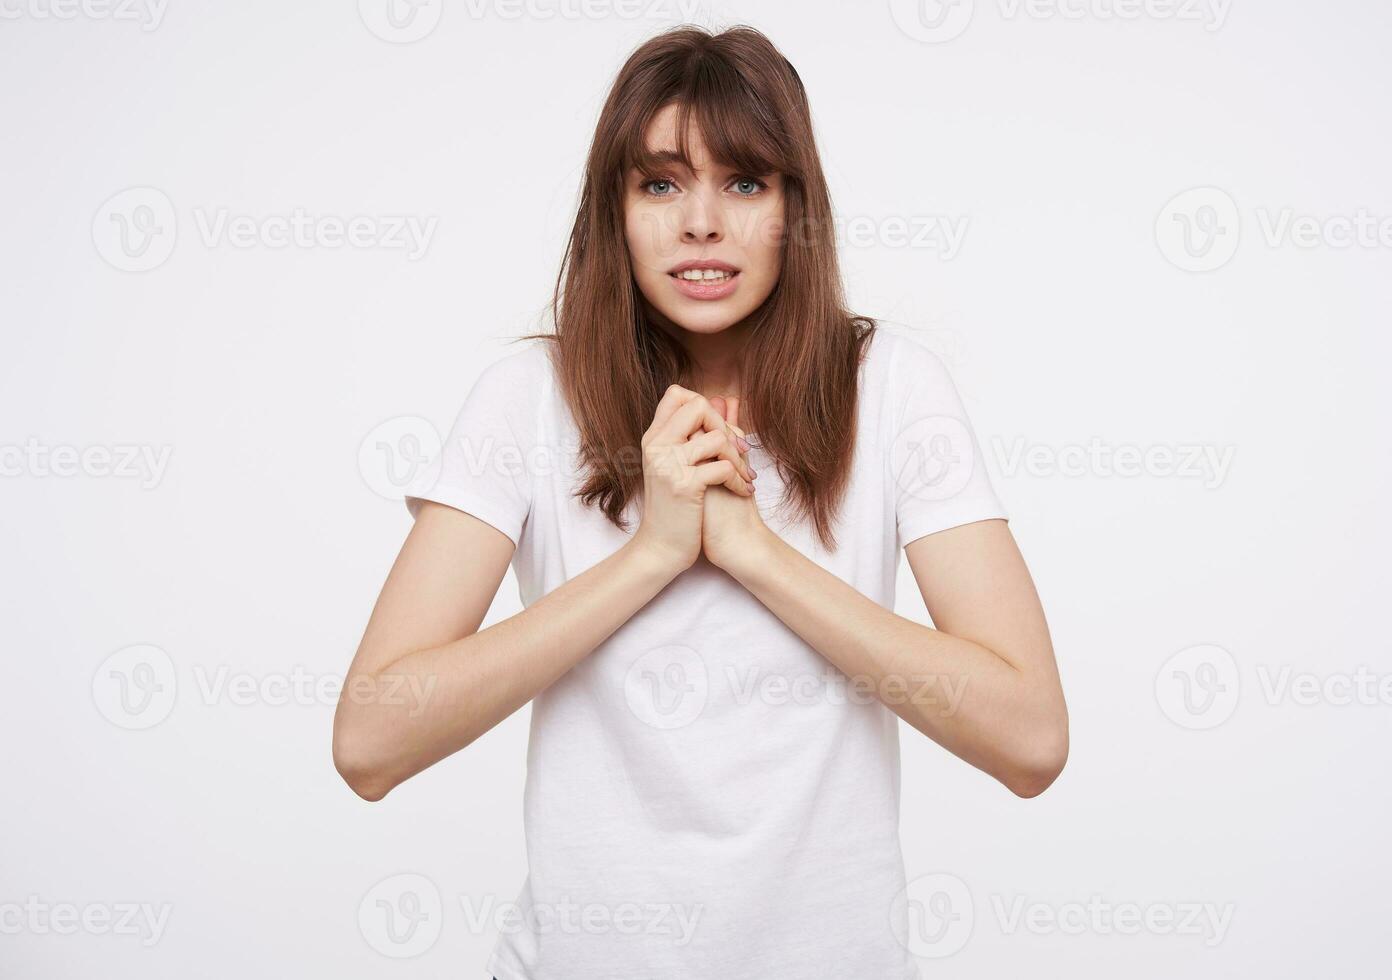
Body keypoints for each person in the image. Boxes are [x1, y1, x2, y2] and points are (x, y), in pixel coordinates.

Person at [332, 23, 1067, 980]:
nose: (702, 224)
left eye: (747, 182)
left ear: (795, 209)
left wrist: (755, 553)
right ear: (616, 212)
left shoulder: (890, 386)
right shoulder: (526, 399)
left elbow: (1031, 738)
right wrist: (652, 556)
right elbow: (370, 741)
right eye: (662, 183)